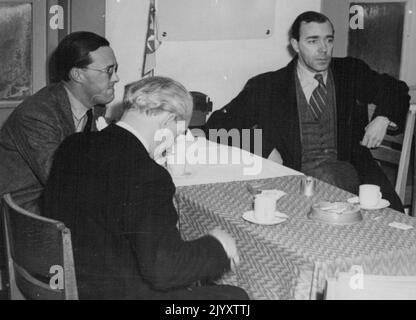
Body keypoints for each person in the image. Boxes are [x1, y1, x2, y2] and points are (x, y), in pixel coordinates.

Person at [40, 76, 248, 300]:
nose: (173, 145)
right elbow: (164, 270)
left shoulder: (73, 144)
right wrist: (217, 246)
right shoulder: (148, 175)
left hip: (69, 282)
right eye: (177, 135)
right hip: (116, 295)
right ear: (168, 120)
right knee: (235, 299)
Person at [206, 11, 410, 212]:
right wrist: (264, 149)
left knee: (397, 230)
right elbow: (218, 125)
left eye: (328, 40)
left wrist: (383, 118)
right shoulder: (268, 86)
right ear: (295, 45)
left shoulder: (351, 71)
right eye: (313, 41)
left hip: (354, 179)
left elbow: (396, 89)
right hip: (296, 184)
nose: (323, 49)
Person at [0, 31, 119, 213]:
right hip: (29, 217)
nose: (116, 78)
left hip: (65, 205)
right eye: (108, 71)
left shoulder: (95, 108)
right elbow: (63, 183)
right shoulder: (37, 115)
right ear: (78, 74)